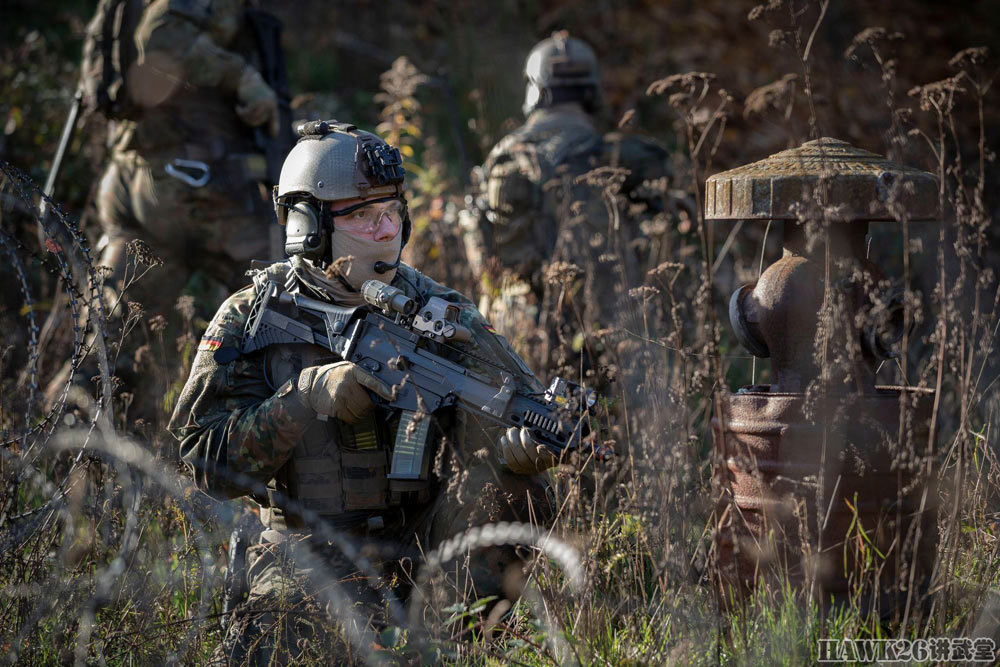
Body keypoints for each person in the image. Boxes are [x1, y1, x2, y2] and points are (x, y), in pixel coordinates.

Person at [168, 120, 557, 662]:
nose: (384, 231)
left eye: (392, 211)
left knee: (523, 491)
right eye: (361, 215)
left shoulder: (439, 311)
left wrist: (522, 450)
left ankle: (459, 643)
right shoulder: (253, 315)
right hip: (304, 551)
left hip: (420, 540)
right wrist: (302, 398)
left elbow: (514, 405)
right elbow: (200, 462)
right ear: (309, 224)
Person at [44, 0, 284, 430]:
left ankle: (58, 450)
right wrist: (243, 77)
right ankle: (256, 442)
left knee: (113, 332)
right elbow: (160, 39)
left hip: (136, 177)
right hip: (194, 181)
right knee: (284, 297)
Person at [463, 31, 686, 377]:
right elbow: (671, 218)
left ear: (534, 88)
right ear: (591, 90)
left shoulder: (501, 156)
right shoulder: (620, 155)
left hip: (513, 332)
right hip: (603, 328)